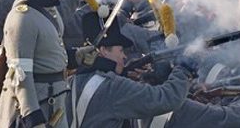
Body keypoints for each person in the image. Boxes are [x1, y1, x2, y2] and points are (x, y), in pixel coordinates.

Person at [0, 0, 93, 128]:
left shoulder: (49, 9)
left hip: (53, 106)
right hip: (34, 111)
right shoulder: (22, 16)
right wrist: (34, 120)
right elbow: (20, 75)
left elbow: (45, 54)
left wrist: (76, 56)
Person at [66, 8, 197, 128]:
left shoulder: (72, 81)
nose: (124, 56)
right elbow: (166, 98)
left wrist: (126, 75)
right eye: (121, 50)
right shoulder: (113, 87)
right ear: (104, 50)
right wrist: (183, 70)